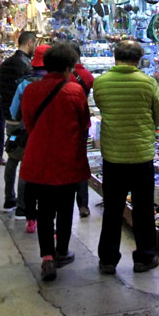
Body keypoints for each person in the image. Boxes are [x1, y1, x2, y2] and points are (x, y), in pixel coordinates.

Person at [92, 39, 159, 274]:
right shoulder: (148, 83)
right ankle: (144, 257)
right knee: (143, 209)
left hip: (113, 156)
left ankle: (108, 260)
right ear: (138, 59)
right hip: (141, 156)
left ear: (115, 57)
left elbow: (102, 108)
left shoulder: (101, 83)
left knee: (113, 209)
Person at [20, 44, 91, 281]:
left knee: (44, 210)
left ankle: (47, 257)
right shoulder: (75, 91)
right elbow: (84, 124)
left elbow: (28, 124)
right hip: (66, 159)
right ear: (69, 67)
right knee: (64, 208)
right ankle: (62, 251)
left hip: (39, 158)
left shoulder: (31, 91)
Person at [9, 45, 49, 233]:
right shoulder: (59, 83)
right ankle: (47, 214)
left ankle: (24, 210)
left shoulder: (24, 83)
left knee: (27, 170)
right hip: (50, 135)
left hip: (29, 133)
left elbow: (13, 111)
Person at [0, 30, 36, 213]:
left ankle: (8, 198)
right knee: (25, 160)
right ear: (30, 43)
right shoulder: (26, 66)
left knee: (12, 157)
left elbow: (1, 89)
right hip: (22, 121)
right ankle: (22, 205)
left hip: (9, 118)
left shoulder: (5, 64)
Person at [66, 43, 95, 219]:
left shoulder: (63, 76)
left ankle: (65, 198)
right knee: (81, 162)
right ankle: (83, 204)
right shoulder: (87, 75)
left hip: (65, 124)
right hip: (82, 123)